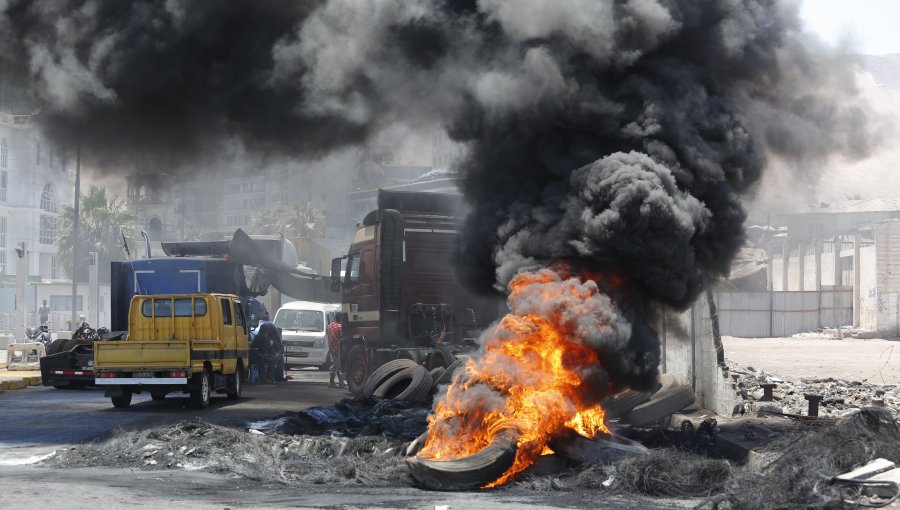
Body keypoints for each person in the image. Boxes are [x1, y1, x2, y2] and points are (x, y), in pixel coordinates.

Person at [327, 312, 345, 388]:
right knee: (336, 364)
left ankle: (341, 382)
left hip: (331, 347)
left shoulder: (330, 325)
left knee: (338, 364)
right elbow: (342, 337)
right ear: (340, 318)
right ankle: (331, 382)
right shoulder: (340, 326)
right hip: (338, 347)